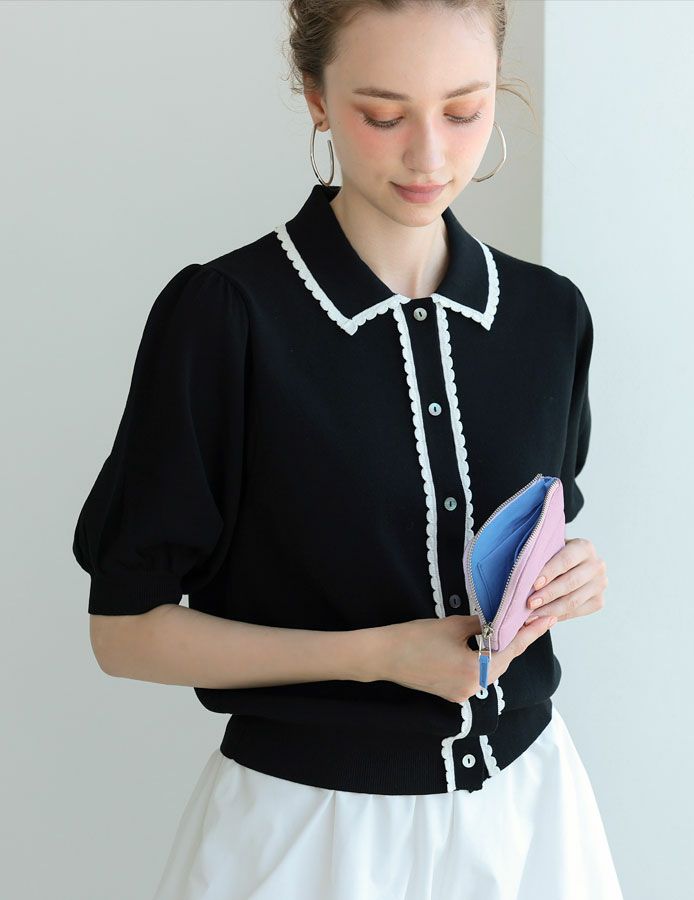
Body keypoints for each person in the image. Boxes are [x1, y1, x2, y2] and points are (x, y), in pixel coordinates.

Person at [72, 1, 624, 897]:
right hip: (312, 837)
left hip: (532, 822)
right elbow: (124, 634)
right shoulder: (226, 318)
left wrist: (573, 577)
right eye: (383, 114)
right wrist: (374, 656)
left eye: (464, 109)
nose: (430, 156)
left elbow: (533, 540)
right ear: (317, 98)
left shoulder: (549, 315)